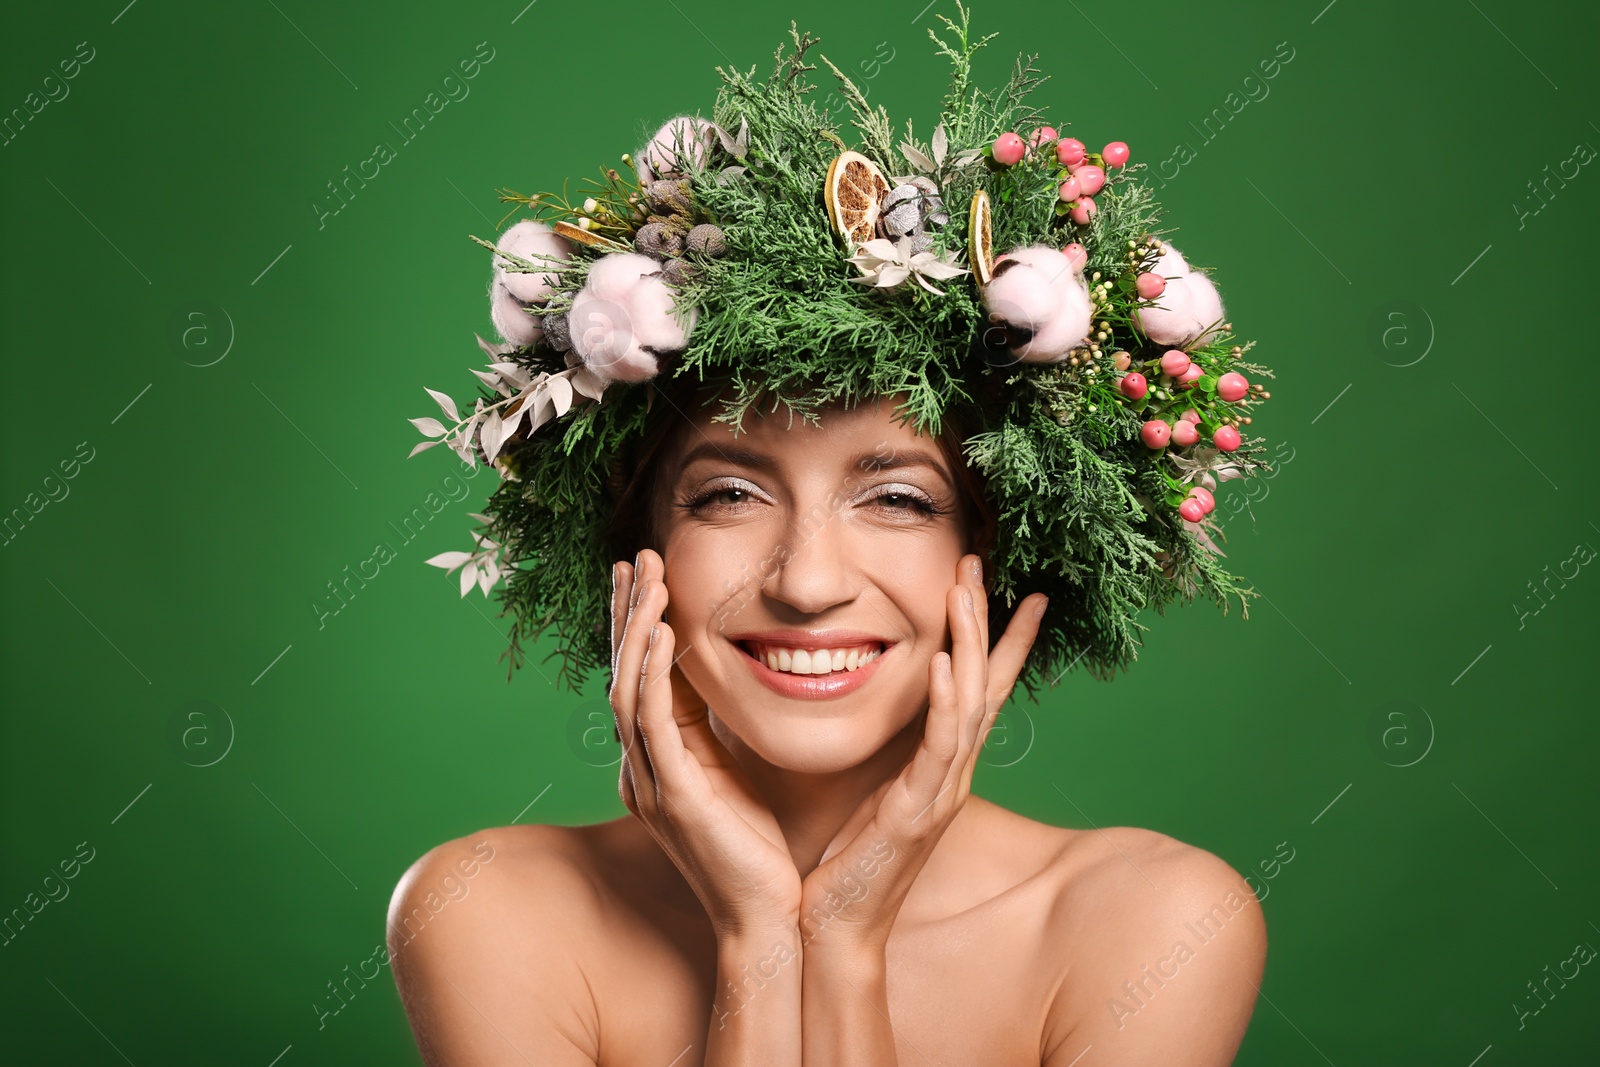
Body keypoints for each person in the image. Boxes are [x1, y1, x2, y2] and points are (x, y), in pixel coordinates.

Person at [389, 7, 1273, 1061]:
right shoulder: (490, 912)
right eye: (727, 495)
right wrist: (758, 930)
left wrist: (839, 937)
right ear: (637, 549)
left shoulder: (1149, 926)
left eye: (898, 498)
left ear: (994, 551)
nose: (807, 581)